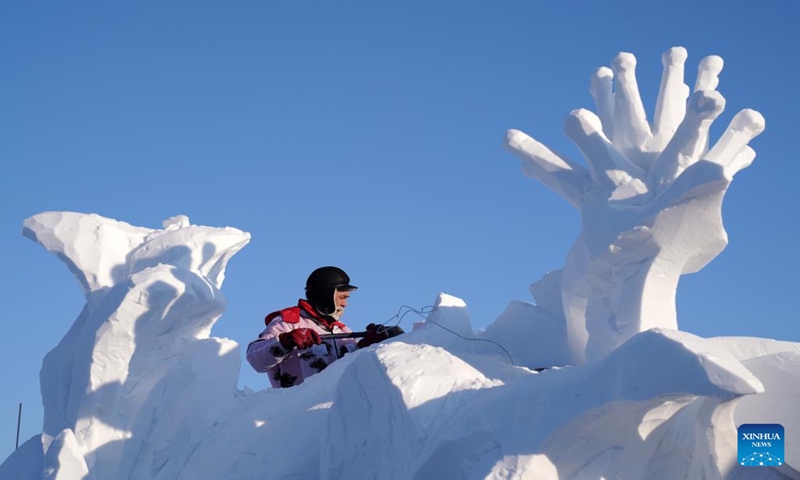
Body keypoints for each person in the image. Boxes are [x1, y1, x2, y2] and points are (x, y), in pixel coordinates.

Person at [246, 266, 390, 388]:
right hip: (294, 412)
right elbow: (255, 358)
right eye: (342, 297)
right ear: (326, 295)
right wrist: (285, 342)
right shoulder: (289, 322)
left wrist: (366, 347)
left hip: (332, 411)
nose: (345, 304)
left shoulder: (343, 331)